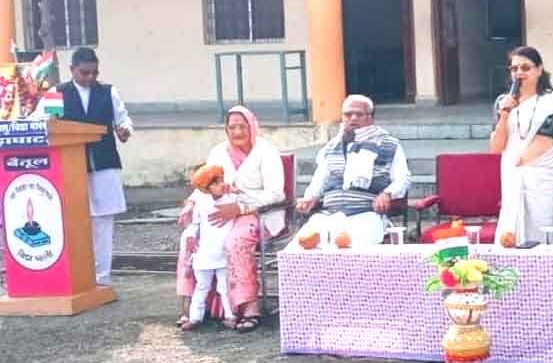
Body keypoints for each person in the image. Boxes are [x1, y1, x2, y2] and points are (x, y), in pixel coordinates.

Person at [30, 47, 135, 286]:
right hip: (69, 165)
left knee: (103, 222)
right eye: (84, 72)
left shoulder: (108, 92)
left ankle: (103, 278)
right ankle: (75, 276)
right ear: (72, 70)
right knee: (71, 220)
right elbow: (43, 124)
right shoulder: (58, 93)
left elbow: (123, 120)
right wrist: (51, 123)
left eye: (94, 73)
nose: (90, 78)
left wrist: (125, 130)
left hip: (105, 163)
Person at [175, 105, 284, 333]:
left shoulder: (266, 151)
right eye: (231, 127)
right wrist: (190, 204)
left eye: (242, 126)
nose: (237, 132)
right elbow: (204, 184)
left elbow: (276, 193)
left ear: (252, 127)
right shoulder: (218, 152)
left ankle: (248, 308)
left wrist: (240, 208)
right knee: (189, 237)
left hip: (258, 212)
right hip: (218, 209)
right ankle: (192, 306)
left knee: (236, 241)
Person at [490, 46, 553, 245]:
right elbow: (496, 148)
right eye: (514, 69)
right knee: (511, 237)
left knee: (544, 236)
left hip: (544, 181)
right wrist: (505, 113)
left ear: (539, 70)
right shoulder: (503, 103)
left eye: (526, 68)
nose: (519, 73)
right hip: (513, 179)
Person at [293, 94, 411, 246]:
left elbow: (403, 179)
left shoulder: (389, 144)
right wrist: (309, 198)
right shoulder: (330, 148)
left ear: (370, 118)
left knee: (347, 244)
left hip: (367, 214)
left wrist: (387, 194)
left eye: (359, 114)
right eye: (348, 114)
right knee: (302, 245)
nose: (353, 118)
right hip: (328, 214)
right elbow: (319, 181)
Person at [180, 164, 238, 331]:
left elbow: (244, 200)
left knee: (224, 287)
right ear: (205, 188)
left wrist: (235, 191)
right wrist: (191, 234)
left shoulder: (231, 200)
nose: (221, 185)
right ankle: (195, 317)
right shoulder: (202, 203)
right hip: (204, 252)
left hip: (223, 252)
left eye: (221, 180)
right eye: (215, 183)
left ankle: (229, 315)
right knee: (202, 286)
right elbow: (195, 224)